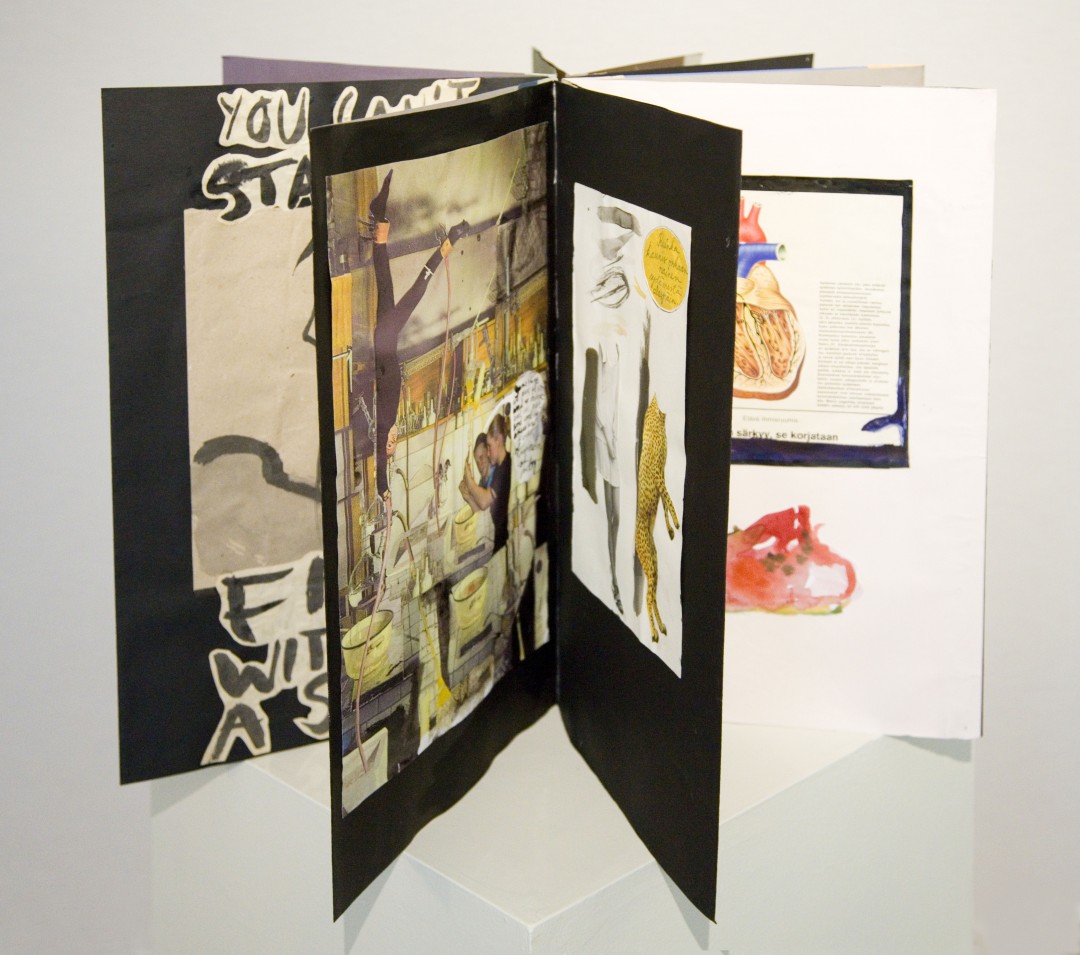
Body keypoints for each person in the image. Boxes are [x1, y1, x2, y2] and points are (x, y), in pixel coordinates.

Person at [368, 169, 468, 498]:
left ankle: (448, 243)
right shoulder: (393, 415)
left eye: (388, 444)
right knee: (385, 280)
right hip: (387, 338)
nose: (392, 441)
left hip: (384, 339)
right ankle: (378, 216)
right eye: (395, 444)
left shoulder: (384, 422)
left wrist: (383, 488)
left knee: (415, 293)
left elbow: (380, 461)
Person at [461, 413, 511, 552]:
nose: (480, 464)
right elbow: (482, 515)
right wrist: (468, 497)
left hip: (505, 540)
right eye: (477, 461)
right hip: (495, 540)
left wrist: (469, 481)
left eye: (482, 457)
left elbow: (484, 502)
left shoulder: (499, 471)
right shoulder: (484, 482)